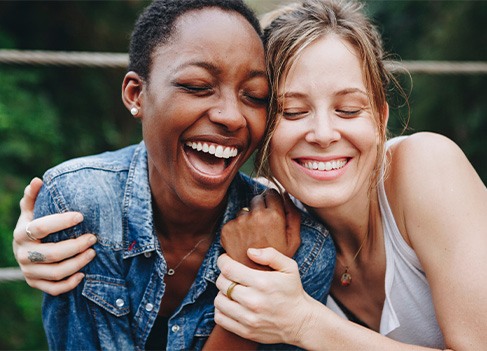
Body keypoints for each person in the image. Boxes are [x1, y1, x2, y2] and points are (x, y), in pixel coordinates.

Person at [12, 0, 336, 350]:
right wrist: (249, 292)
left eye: (254, 96)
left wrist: (258, 279)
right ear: (136, 94)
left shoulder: (301, 251)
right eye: (198, 86)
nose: (231, 116)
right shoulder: (80, 206)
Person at [211, 0, 487, 350]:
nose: (323, 134)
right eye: (293, 112)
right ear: (263, 129)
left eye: (348, 109)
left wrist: (306, 323)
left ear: (381, 118)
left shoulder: (427, 166)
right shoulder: (268, 218)